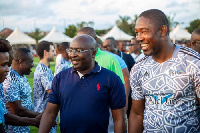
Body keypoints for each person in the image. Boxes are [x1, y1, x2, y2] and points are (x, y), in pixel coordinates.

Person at [128, 9, 200, 133]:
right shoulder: (138, 68)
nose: (139, 38)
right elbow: (137, 113)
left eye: (144, 32)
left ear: (162, 30)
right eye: (137, 33)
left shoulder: (192, 62)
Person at [38, 34, 126, 133]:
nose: (72, 55)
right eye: (70, 50)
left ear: (93, 53)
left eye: (79, 51)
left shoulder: (111, 79)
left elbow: (119, 119)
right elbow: (49, 113)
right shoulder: (60, 78)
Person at [76, 27, 128, 132]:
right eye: (78, 39)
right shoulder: (75, 59)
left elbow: (121, 88)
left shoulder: (110, 59)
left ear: (95, 40)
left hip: (108, 113)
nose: (81, 42)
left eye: (85, 38)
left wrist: (123, 111)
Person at [3, 48, 41, 133]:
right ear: (21, 62)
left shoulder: (21, 76)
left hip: (24, 127)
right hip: (14, 130)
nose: (33, 65)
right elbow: (18, 110)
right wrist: (42, 116)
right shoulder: (10, 79)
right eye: (31, 61)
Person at [33, 41, 56, 133]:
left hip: (45, 112)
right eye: (53, 51)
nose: (55, 53)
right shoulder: (43, 71)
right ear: (45, 53)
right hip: (45, 113)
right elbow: (51, 92)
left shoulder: (44, 68)